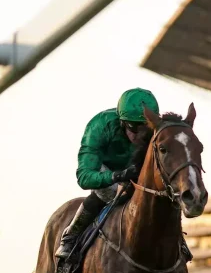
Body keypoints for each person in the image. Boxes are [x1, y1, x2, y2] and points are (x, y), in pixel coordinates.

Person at [55, 88, 191, 262]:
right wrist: (117, 176)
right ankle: (71, 236)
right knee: (112, 193)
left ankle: (177, 239)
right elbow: (84, 177)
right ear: (123, 122)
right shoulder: (99, 127)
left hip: (137, 168)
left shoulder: (156, 129)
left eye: (146, 128)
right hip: (107, 170)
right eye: (135, 128)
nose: (140, 134)